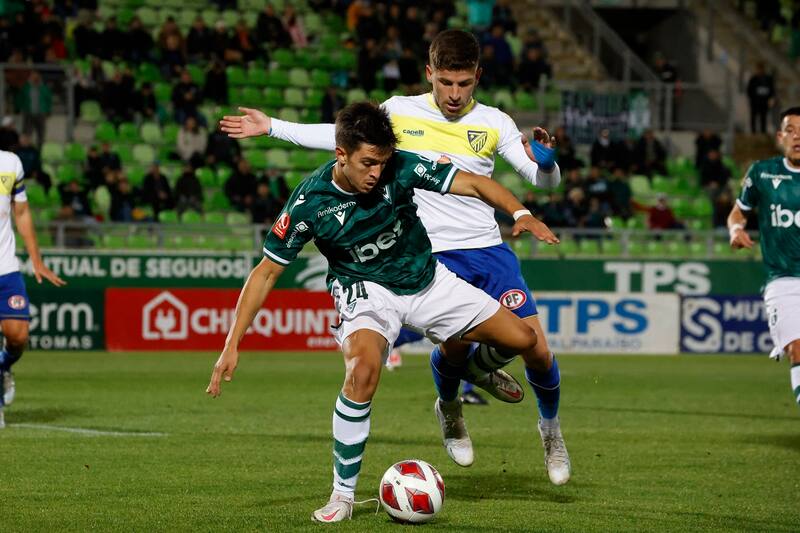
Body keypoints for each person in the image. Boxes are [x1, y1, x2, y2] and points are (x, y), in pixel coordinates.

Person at [219, 29, 570, 486]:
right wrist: (274, 128)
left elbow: (542, 182)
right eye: (446, 83)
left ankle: (549, 431)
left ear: (478, 78)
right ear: (430, 74)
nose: (455, 94)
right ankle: (449, 408)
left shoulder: (497, 123)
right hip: (430, 251)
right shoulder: (400, 111)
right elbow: (344, 138)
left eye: (464, 84)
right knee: (453, 348)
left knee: (536, 347)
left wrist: (545, 163)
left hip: (486, 247)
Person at [728, 107, 800, 408]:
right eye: (791, 130)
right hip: (783, 281)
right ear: (780, 136)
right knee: (798, 348)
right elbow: (738, 212)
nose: (798, 137)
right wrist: (735, 229)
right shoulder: (761, 172)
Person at [0, 149, 65, 428]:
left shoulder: (10, 163)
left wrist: (36, 260)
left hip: (6, 267)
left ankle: (3, 367)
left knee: (18, 336)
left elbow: (22, 213)